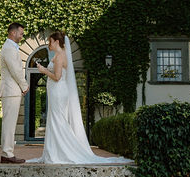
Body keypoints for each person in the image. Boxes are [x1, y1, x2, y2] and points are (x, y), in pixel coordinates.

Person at [30, 31, 129, 165]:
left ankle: (65, 151)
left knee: (58, 121)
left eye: (50, 41)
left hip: (58, 91)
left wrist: (43, 71)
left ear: (56, 42)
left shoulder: (59, 56)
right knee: (56, 120)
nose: (48, 44)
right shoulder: (59, 55)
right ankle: (56, 151)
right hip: (57, 92)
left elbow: (57, 77)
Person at [0, 21, 28, 164]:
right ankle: (7, 153)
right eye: (21, 33)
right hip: (11, 91)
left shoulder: (11, 47)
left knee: (10, 123)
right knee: (9, 124)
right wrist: (24, 85)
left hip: (11, 91)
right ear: (13, 33)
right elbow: (15, 69)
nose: (22, 36)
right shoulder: (9, 48)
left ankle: (7, 152)